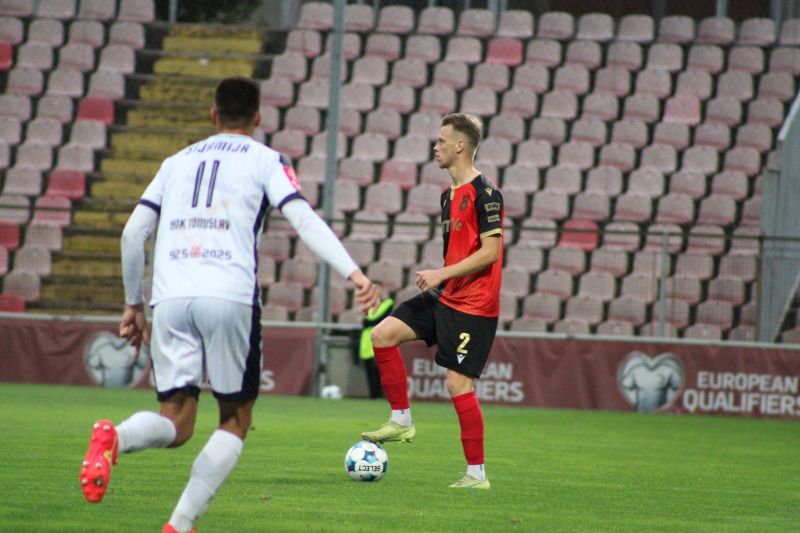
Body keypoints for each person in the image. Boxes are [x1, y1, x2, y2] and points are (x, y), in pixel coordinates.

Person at [78, 77, 380, 533]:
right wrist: (354, 273)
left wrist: (133, 305)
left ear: (213, 115)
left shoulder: (175, 162)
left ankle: (114, 438)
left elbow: (132, 233)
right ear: (258, 117)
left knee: (176, 421)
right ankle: (180, 524)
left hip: (170, 296)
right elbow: (302, 218)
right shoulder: (266, 159)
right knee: (235, 420)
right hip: (229, 293)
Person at [361, 113, 504, 490]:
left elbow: (491, 252)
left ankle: (477, 475)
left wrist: (441, 273)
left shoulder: (486, 193)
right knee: (382, 335)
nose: (436, 147)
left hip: (474, 306)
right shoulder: (448, 195)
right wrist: (444, 279)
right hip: (447, 295)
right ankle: (401, 420)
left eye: (442, 141)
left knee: (457, 384)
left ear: (460, 145)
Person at [351, 291, 395, 399]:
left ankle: (380, 395)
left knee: (378, 371)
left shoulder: (388, 304)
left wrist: (369, 322)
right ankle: (373, 396)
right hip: (367, 342)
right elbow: (364, 321)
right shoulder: (371, 305)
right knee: (369, 371)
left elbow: (380, 319)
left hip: (380, 341)